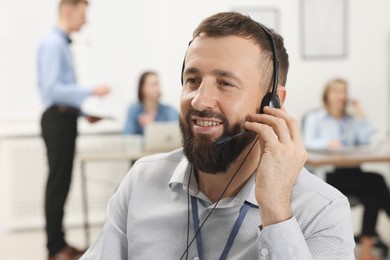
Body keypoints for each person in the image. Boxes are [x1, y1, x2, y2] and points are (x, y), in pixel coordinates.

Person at [82, 12, 354, 259]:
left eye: (225, 83)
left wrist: (276, 211)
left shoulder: (322, 209)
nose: (200, 101)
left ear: (272, 102)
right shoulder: (141, 182)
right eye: (193, 80)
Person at [37, 0, 110, 259]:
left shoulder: (60, 44)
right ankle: (55, 248)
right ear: (68, 12)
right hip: (57, 120)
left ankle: (60, 243)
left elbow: (60, 93)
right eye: (82, 15)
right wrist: (91, 91)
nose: (85, 21)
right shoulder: (53, 44)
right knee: (57, 184)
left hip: (65, 118)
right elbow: (52, 90)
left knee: (62, 183)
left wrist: (82, 112)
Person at [302, 78, 390, 260]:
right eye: (336, 91)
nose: (341, 95)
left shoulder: (351, 119)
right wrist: (327, 143)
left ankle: (366, 250)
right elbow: (306, 141)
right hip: (329, 174)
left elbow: (368, 141)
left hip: (353, 173)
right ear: (327, 94)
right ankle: (367, 247)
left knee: (372, 195)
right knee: (377, 180)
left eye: (344, 91)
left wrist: (361, 114)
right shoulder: (315, 117)